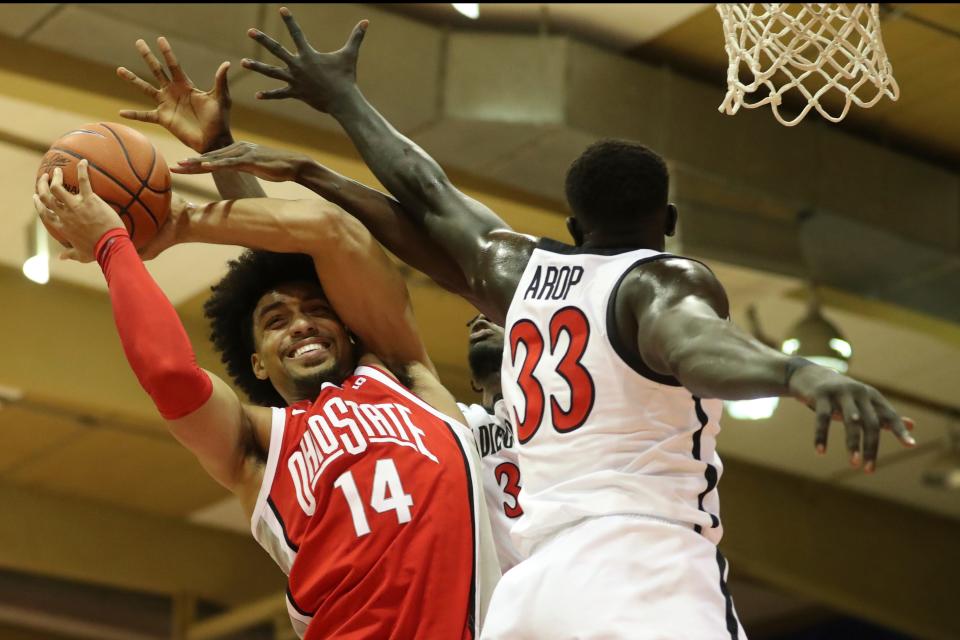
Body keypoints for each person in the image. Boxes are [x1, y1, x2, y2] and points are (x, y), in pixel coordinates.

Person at [194, 9, 919, 638]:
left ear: (573, 227)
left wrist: (339, 117)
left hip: (529, 597)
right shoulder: (654, 284)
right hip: (638, 568)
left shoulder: (523, 279)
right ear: (666, 223)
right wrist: (795, 370)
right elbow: (696, 344)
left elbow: (427, 196)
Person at [34, 153, 497, 638]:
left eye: (317, 310)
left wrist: (183, 221)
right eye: (276, 321)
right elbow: (170, 374)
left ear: (349, 328)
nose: (301, 324)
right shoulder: (259, 447)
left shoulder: (406, 379)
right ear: (257, 361)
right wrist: (113, 246)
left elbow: (328, 229)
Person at [458, 315, 523, 574]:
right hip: (499, 593)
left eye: (495, 318)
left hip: (565, 573)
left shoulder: (557, 417)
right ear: (474, 382)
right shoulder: (459, 422)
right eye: (474, 321)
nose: (480, 323)